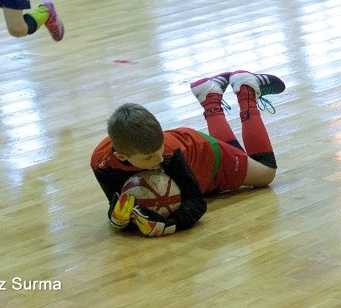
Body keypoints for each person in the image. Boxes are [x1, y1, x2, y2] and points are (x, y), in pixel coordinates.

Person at [91, 71, 285, 236]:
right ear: (122, 157)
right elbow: (117, 200)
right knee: (243, 156)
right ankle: (210, 97)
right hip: (194, 155)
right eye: (149, 157)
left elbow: (196, 202)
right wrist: (118, 218)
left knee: (267, 173)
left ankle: (247, 93)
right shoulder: (101, 162)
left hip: (208, 156)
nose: (159, 158)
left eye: (160, 146)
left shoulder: (169, 151)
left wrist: (168, 225)